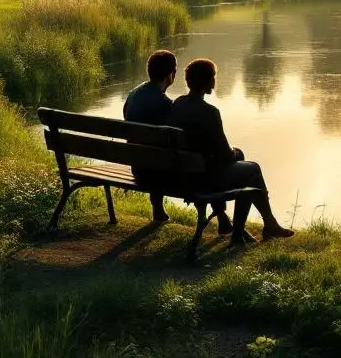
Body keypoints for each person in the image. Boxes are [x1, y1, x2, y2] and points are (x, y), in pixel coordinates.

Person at [168, 58, 294, 246]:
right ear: (208, 82)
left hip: (181, 177)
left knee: (244, 166)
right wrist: (235, 153)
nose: (214, 81)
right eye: (213, 77)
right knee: (252, 169)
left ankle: (246, 229)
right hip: (203, 180)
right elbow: (226, 155)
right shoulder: (210, 112)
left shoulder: (177, 104)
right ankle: (263, 227)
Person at [123, 51, 231, 233]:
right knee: (199, 159)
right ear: (171, 74)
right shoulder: (165, 105)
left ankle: (159, 209)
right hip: (156, 171)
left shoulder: (134, 94)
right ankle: (221, 217)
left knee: (165, 154)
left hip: (138, 164)